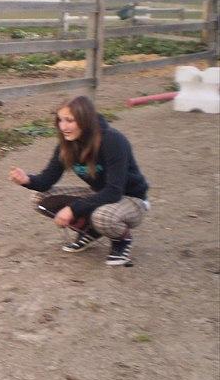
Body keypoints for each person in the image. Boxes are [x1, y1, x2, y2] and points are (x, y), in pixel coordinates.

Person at [9, 95, 149, 266]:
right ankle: (89, 230)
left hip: (130, 199)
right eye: (60, 120)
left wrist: (72, 210)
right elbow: (46, 181)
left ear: (85, 120)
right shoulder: (67, 145)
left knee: (102, 216)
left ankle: (122, 239)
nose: (63, 126)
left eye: (70, 120)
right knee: (40, 199)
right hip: (101, 194)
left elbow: (114, 191)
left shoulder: (113, 140)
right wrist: (26, 180)